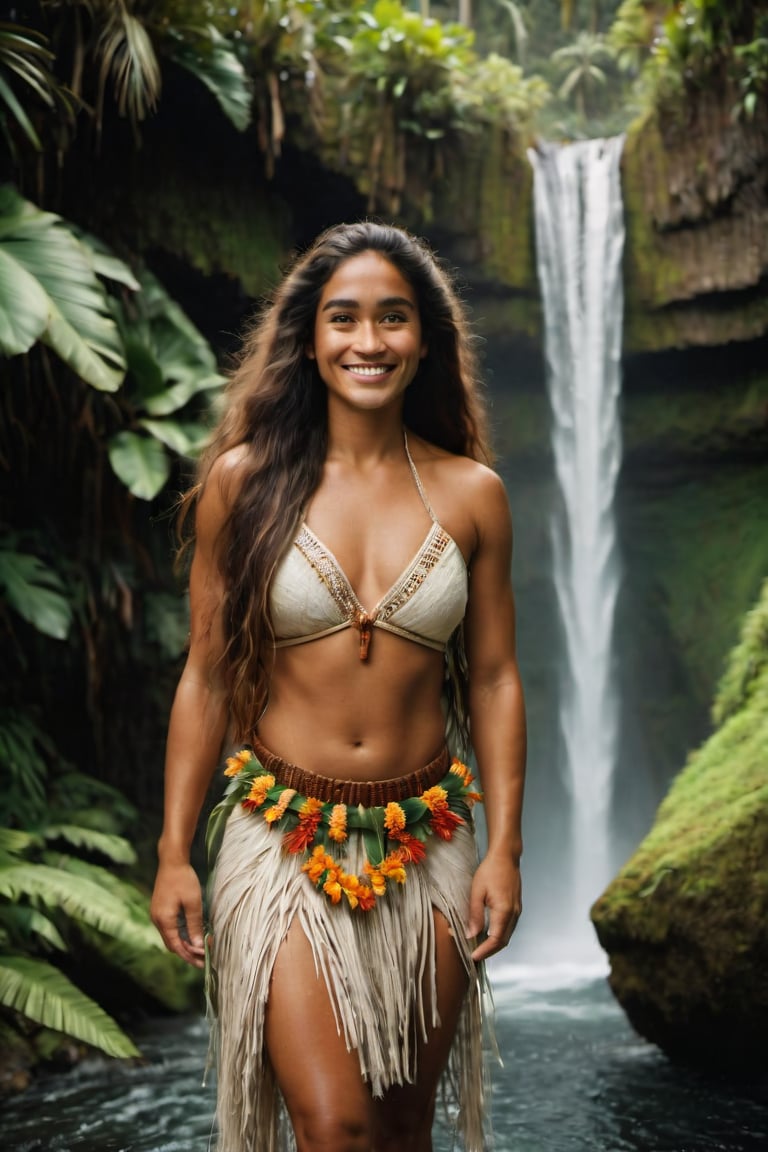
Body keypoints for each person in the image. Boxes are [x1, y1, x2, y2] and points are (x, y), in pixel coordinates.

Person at [150, 221, 526, 1152]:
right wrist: (170, 852)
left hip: (427, 842)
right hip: (282, 841)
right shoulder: (244, 484)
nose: (369, 342)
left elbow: (494, 677)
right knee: (336, 1127)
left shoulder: (473, 493)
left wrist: (506, 849)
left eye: (393, 319)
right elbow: (204, 675)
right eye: (345, 318)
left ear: (425, 339)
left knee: (401, 1131)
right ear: (310, 339)